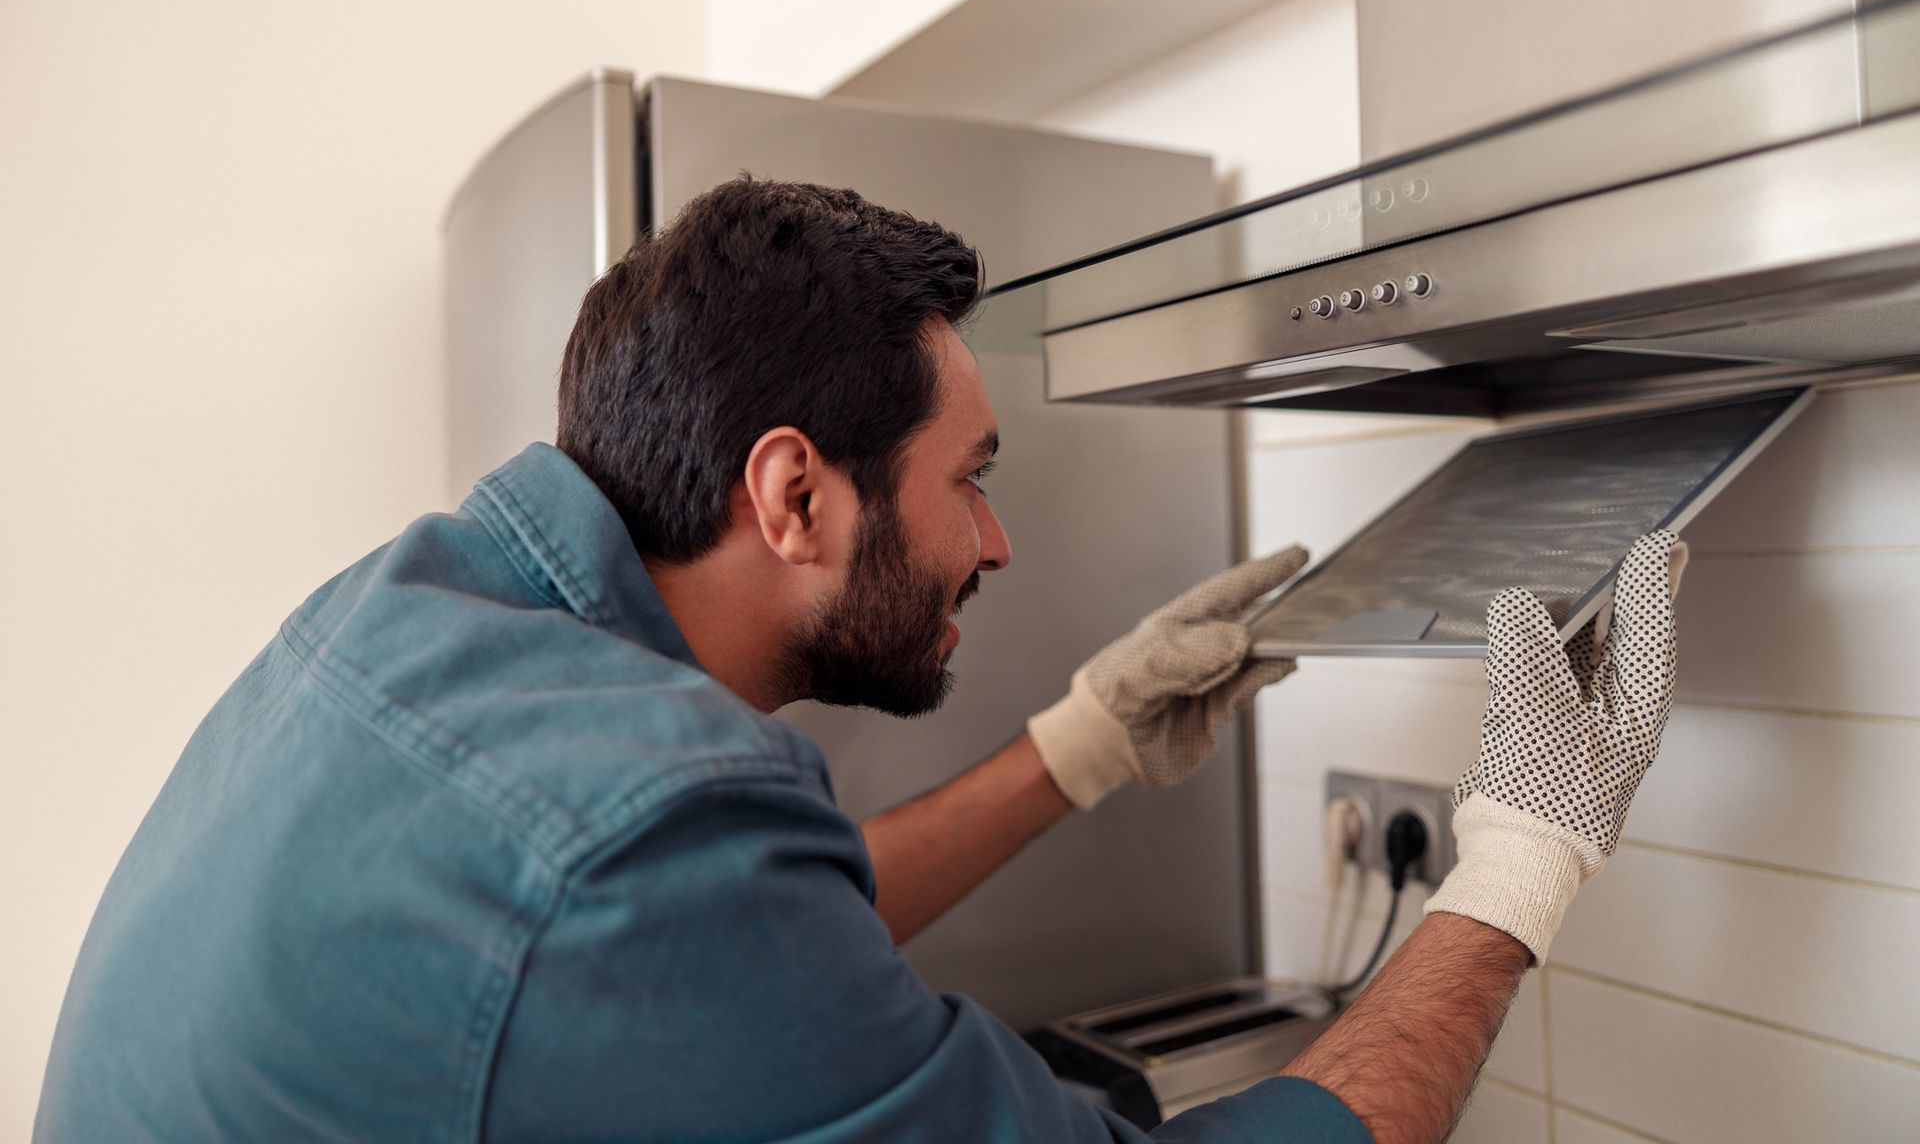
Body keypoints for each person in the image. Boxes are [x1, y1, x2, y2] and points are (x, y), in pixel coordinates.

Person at [36, 178, 1689, 1143]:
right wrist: (1518, 872)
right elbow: (663, 909)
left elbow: (712, 945)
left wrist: (1087, 739)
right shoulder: (637, 824)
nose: (997, 542)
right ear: (793, 492)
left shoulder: (411, 621)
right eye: (972, 478)